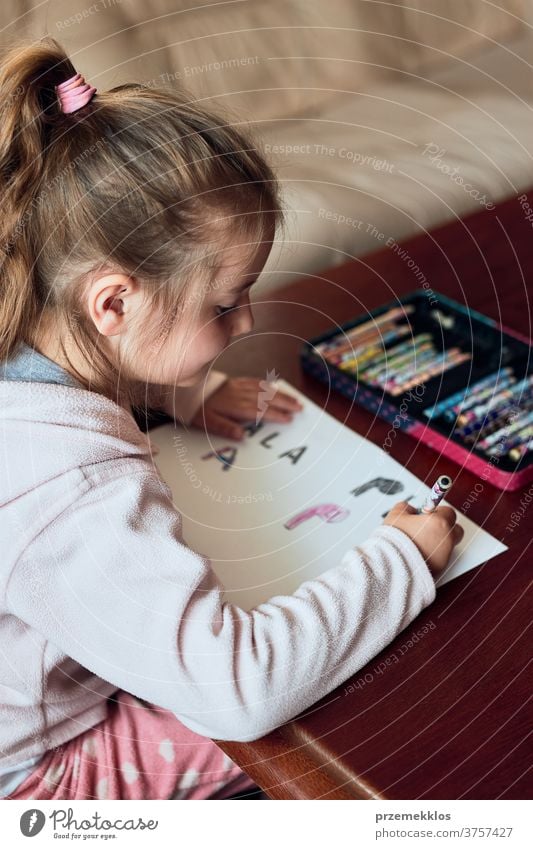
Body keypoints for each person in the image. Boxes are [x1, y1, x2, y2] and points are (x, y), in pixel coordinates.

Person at [0, 38, 463, 801]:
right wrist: (399, 562)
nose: (246, 323)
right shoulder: (70, 489)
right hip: (34, 771)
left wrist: (183, 393)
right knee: (352, 709)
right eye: (224, 303)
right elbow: (239, 687)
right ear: (112, 302)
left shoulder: (31, 311)